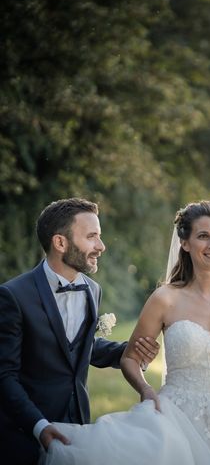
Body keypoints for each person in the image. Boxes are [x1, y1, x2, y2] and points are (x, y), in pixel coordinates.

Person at [42, 200, 210, 465]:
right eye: (203, 236)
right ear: (185, 243)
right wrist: (145, 389)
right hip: (175, 418)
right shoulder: (165, 299)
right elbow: (129, 359)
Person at [0, 197, 160, 465]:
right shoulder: (13, 296)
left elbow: (77, 346)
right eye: (92, 237)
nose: (101, 246)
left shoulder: (92, 290)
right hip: (24, 437)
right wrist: (38, 426)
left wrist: (127, 352)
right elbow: (4, 375)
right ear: (60, 243)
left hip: (79, 432)